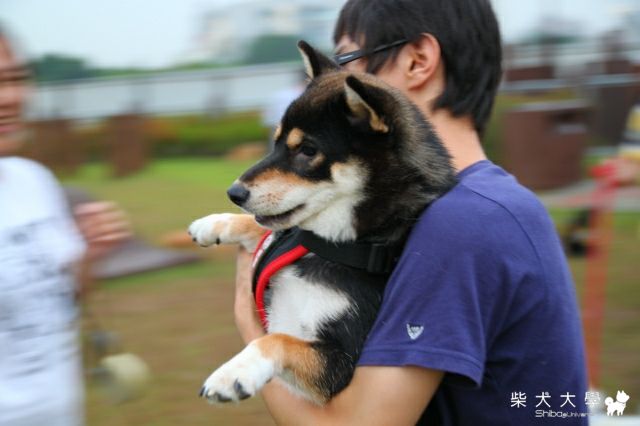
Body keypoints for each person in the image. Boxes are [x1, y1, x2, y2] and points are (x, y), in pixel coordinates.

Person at [232, 1, 589, 425]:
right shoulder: (469, 206)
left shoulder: (465, 222)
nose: (327, 83)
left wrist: (250, 324)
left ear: (417, 61)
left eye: (345, 59)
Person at [0, 25, 130, 425]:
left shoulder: (33, 180)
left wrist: (90, 255)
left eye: (16, 78)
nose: (11, 97)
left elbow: (62, 301)